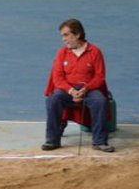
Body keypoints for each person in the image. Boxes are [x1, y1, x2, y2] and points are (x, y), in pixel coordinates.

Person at [43, 19, 113, 153]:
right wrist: (70, 91)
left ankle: (100, 141)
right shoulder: (62, 53)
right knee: (53, 100)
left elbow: (99, 76)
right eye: (62, 36)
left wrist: (85, 89)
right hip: (67, 91)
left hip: (89, 90)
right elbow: (57, 78)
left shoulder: (95, 52)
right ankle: (52, 140)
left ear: (77, 34)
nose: (63, 39)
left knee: (100, 101)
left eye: (66, 35)